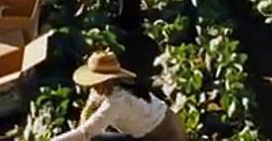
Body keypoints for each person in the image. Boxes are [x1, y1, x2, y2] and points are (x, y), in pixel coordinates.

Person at [52, 51, 186, 141]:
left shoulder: (118, 101)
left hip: (165, 135)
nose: (93, 88)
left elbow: (86, 132)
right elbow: (90, 107)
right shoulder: (109, 87)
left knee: (96, 138)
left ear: (107, 81)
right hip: (157, 126)